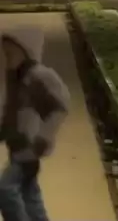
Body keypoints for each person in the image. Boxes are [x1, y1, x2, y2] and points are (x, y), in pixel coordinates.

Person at [0, 26, 70, 221]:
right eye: (5, 53)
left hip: (31, 147)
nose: (7, 57)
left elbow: (61, 105)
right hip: (17, 146)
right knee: (29, 194)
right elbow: (11, 113)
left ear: (26, 50)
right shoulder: (15, 78)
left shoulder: (40, 75)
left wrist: (45, 135)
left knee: (6, 190)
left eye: (11, 53)